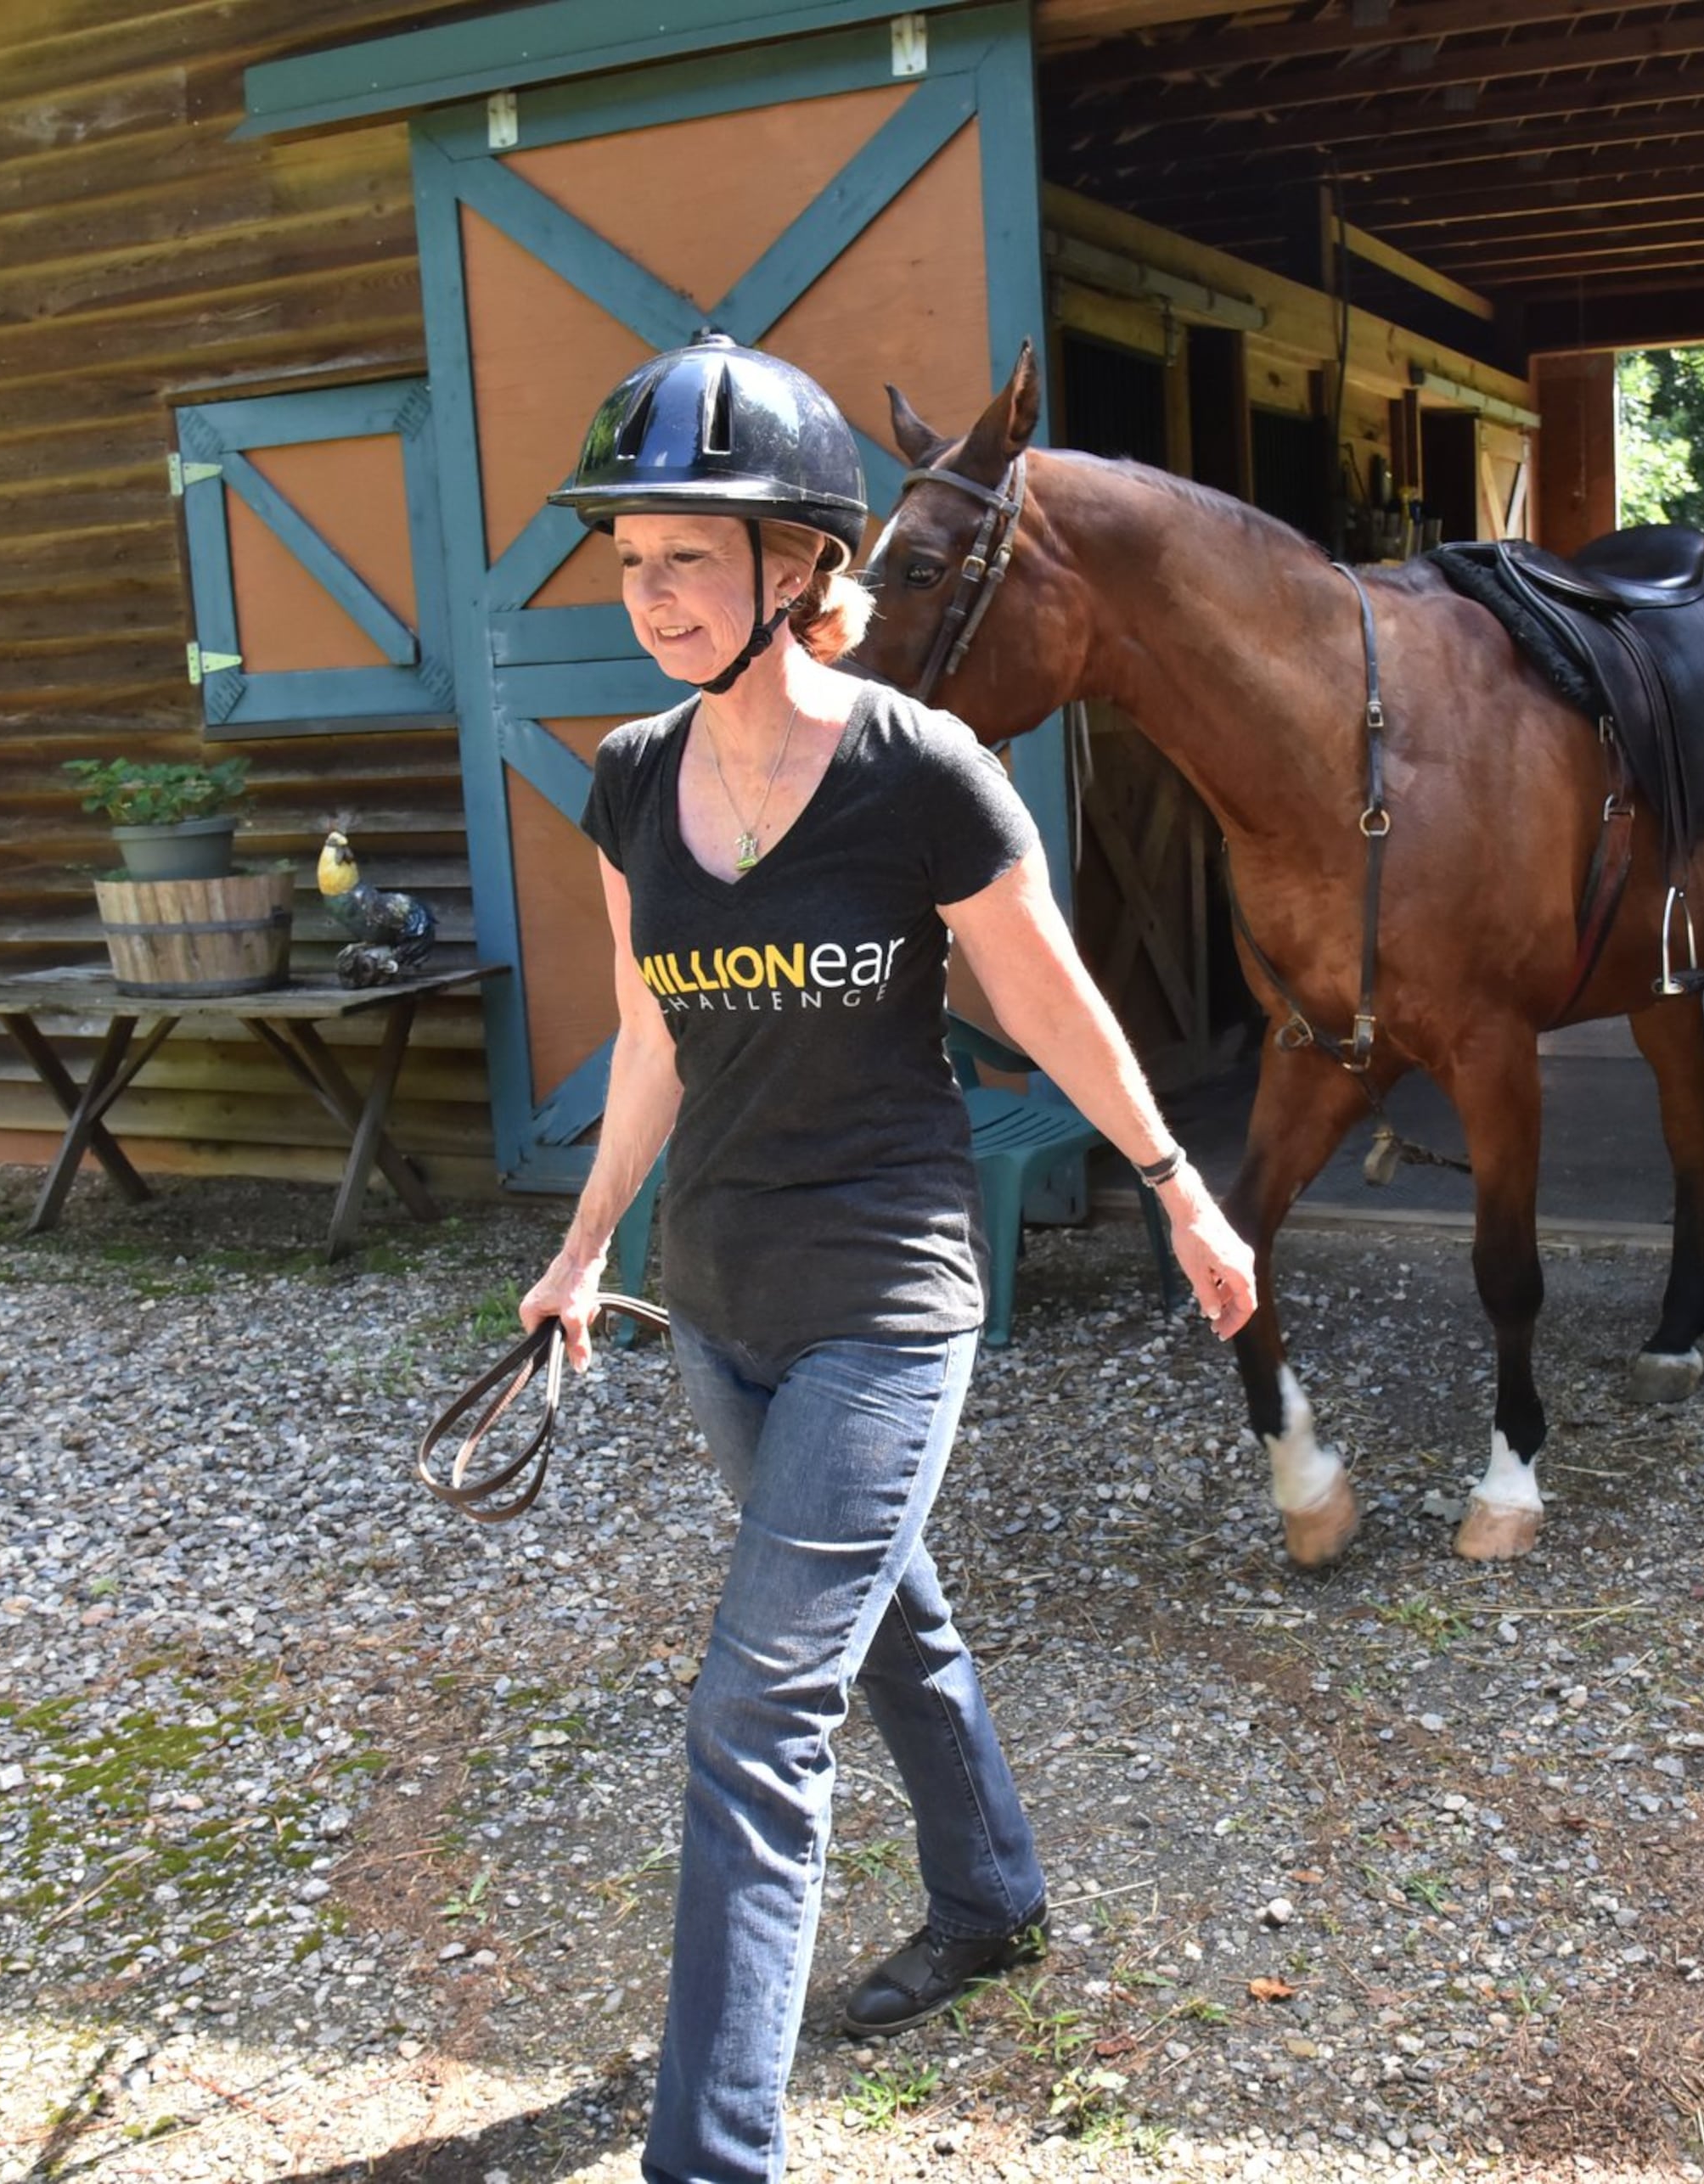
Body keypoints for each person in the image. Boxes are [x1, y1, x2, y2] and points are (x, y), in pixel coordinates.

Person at [515, 334, 1258, 2184]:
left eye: (693, 555)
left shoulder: (916, 770)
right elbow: (654, 1031)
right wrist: (581, 1243)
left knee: (760, 1709)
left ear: (801, 567)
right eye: (632, 559)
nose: (652, 593)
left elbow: (1049, 995)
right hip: (718, 1299)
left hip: (888, 1300)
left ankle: (713, 2158)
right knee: (886, 1612)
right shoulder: (629, 782)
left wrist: (1178, 1182)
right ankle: (993, 1892)